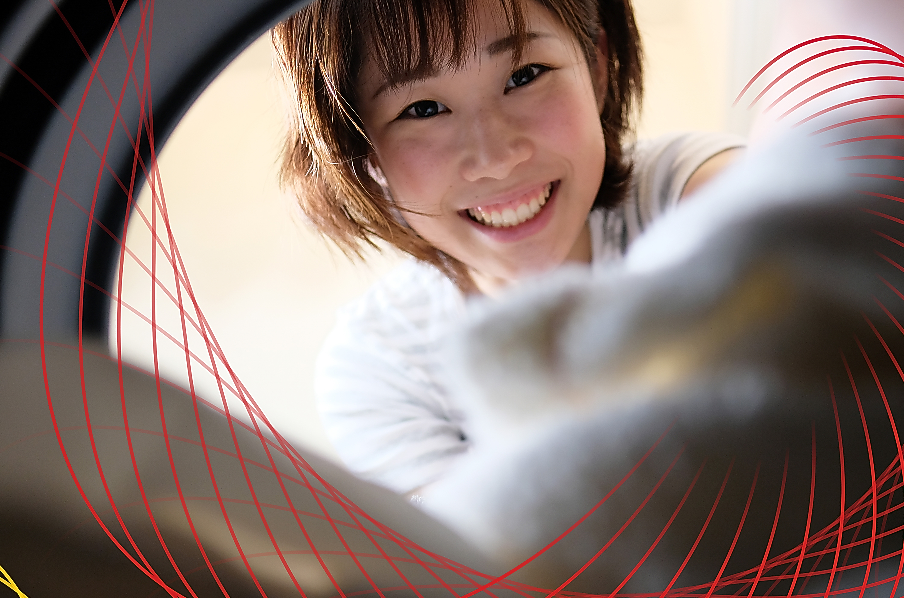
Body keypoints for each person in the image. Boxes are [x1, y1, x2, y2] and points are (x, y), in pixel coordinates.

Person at [272, 0, 744, 500]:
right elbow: (471, 553)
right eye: (423, 109)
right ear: (362, 150)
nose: (495, 158)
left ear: (597, 67)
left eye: (524, 75)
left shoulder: (688, 196)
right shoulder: (383, 371)